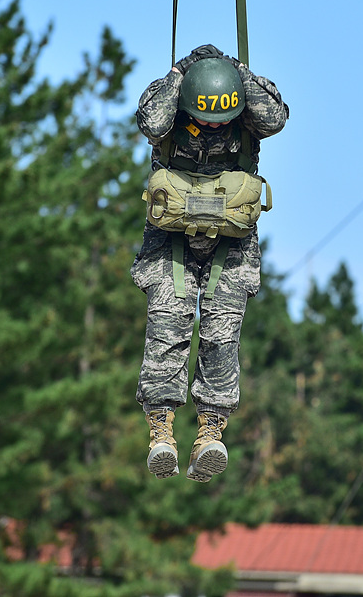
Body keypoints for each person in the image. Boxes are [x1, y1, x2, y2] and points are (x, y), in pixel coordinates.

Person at [132, 44, 289, 481]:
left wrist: (242, 74)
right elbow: (151, 122)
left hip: (232, 246)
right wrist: (178, 77)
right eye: (201, 115)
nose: (208, 124)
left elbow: (275, 119)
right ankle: (161, 429)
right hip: (171, 241)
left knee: (222, 334)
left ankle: (210, 432)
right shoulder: (171, 101)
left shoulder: (247, 108)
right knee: (167, 326)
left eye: (218, 118)